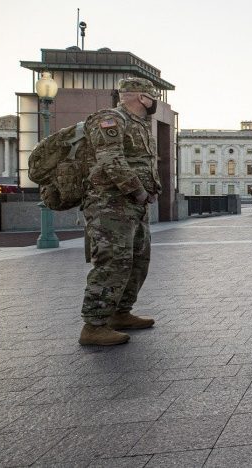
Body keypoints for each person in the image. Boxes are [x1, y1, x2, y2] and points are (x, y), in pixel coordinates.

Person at [78, 77, 160, 346]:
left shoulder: (139, 125)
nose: (154, 101)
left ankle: (120, 313)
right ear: (142, 98)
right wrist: (137, 189)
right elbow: (110, 159)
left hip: (134, 205)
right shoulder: (110, 119)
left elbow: (142, 162)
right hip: (110, 204)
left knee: (137, 260)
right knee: (113, 260)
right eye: (152, 96)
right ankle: (94, 325)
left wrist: (152, 188)